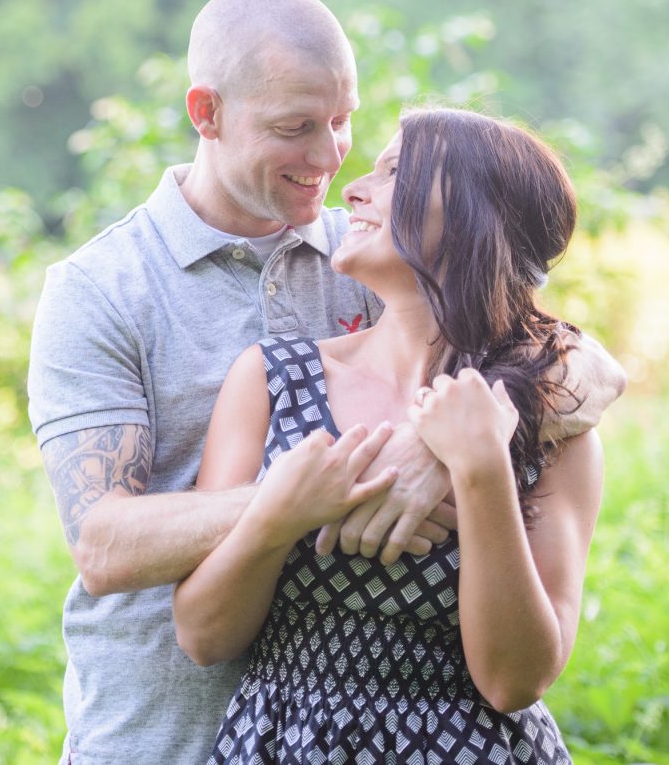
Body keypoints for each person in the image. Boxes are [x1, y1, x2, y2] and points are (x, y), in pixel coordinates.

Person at [27, 0, 625, 765]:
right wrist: (316, 492)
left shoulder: (368, 249)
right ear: (205, 113)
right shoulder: (101, 290)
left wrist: (442, 447)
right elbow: (103, 547)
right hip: (162, 735)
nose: (332, 159)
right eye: (295, 127)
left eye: (342, 122)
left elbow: (578, 359)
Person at [174, 108, 603, 763]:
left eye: (396, 170)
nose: (353, 188)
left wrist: (483, 472)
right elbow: (204, 638)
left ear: (471, 215)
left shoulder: (551, 422)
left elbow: (514, 680)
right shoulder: (272, 379)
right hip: (286, 742)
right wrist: (276, 516)